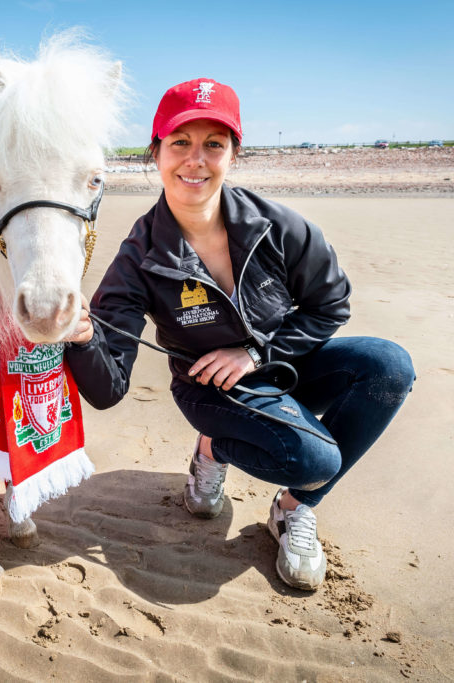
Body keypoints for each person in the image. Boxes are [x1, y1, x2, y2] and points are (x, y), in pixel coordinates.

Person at [64, 78, 415, 591]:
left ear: (233, 153)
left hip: (281, 367)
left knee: (389, 366)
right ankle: (213, 448)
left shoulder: (277, 226)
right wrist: (80, 336)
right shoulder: (139, 257)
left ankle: (293, 508)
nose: (195, 160)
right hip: (210, 391)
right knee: (316, 459)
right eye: (180, 142)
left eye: (214, 144)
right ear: (155, 152)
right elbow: (108, 388)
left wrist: (254, 351)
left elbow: (330, 303)